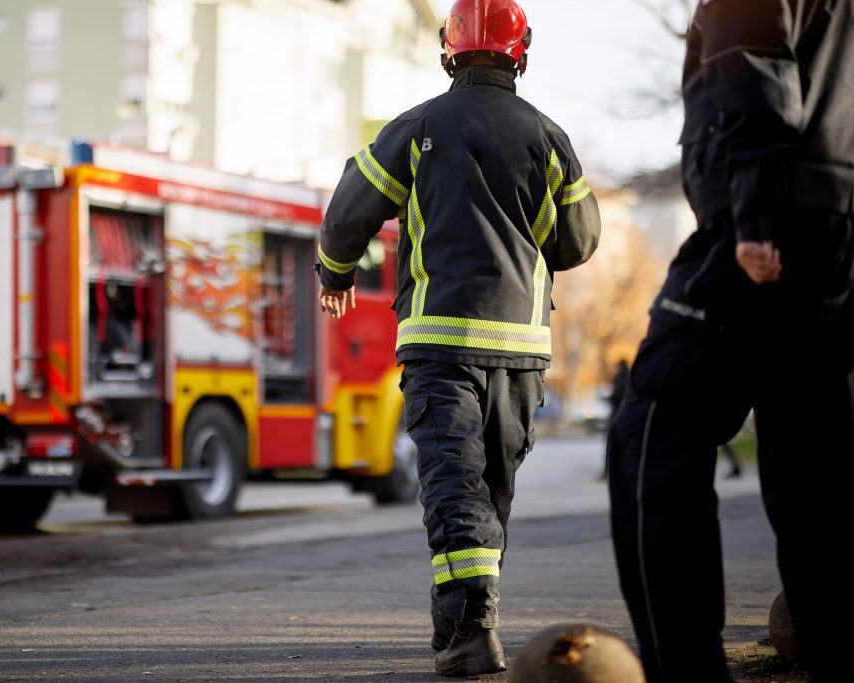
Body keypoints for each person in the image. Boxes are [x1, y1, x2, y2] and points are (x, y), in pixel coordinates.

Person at [316, 0, 601, 676]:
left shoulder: (416, 128)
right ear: (519, 52)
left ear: (449, 50)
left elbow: (348, 208)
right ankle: (460, 624)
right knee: (487, 489)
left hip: (440, 342)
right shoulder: (548, 136)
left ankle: (471, 629)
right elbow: (580, 239)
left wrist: (337, 271)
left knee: (454, 485)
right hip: (521, 351)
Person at [606, 1, 854, 681]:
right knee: (812, 458)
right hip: (834, 230)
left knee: (650, 427)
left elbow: (756, 64)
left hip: (769, 222)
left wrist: (751, 215)